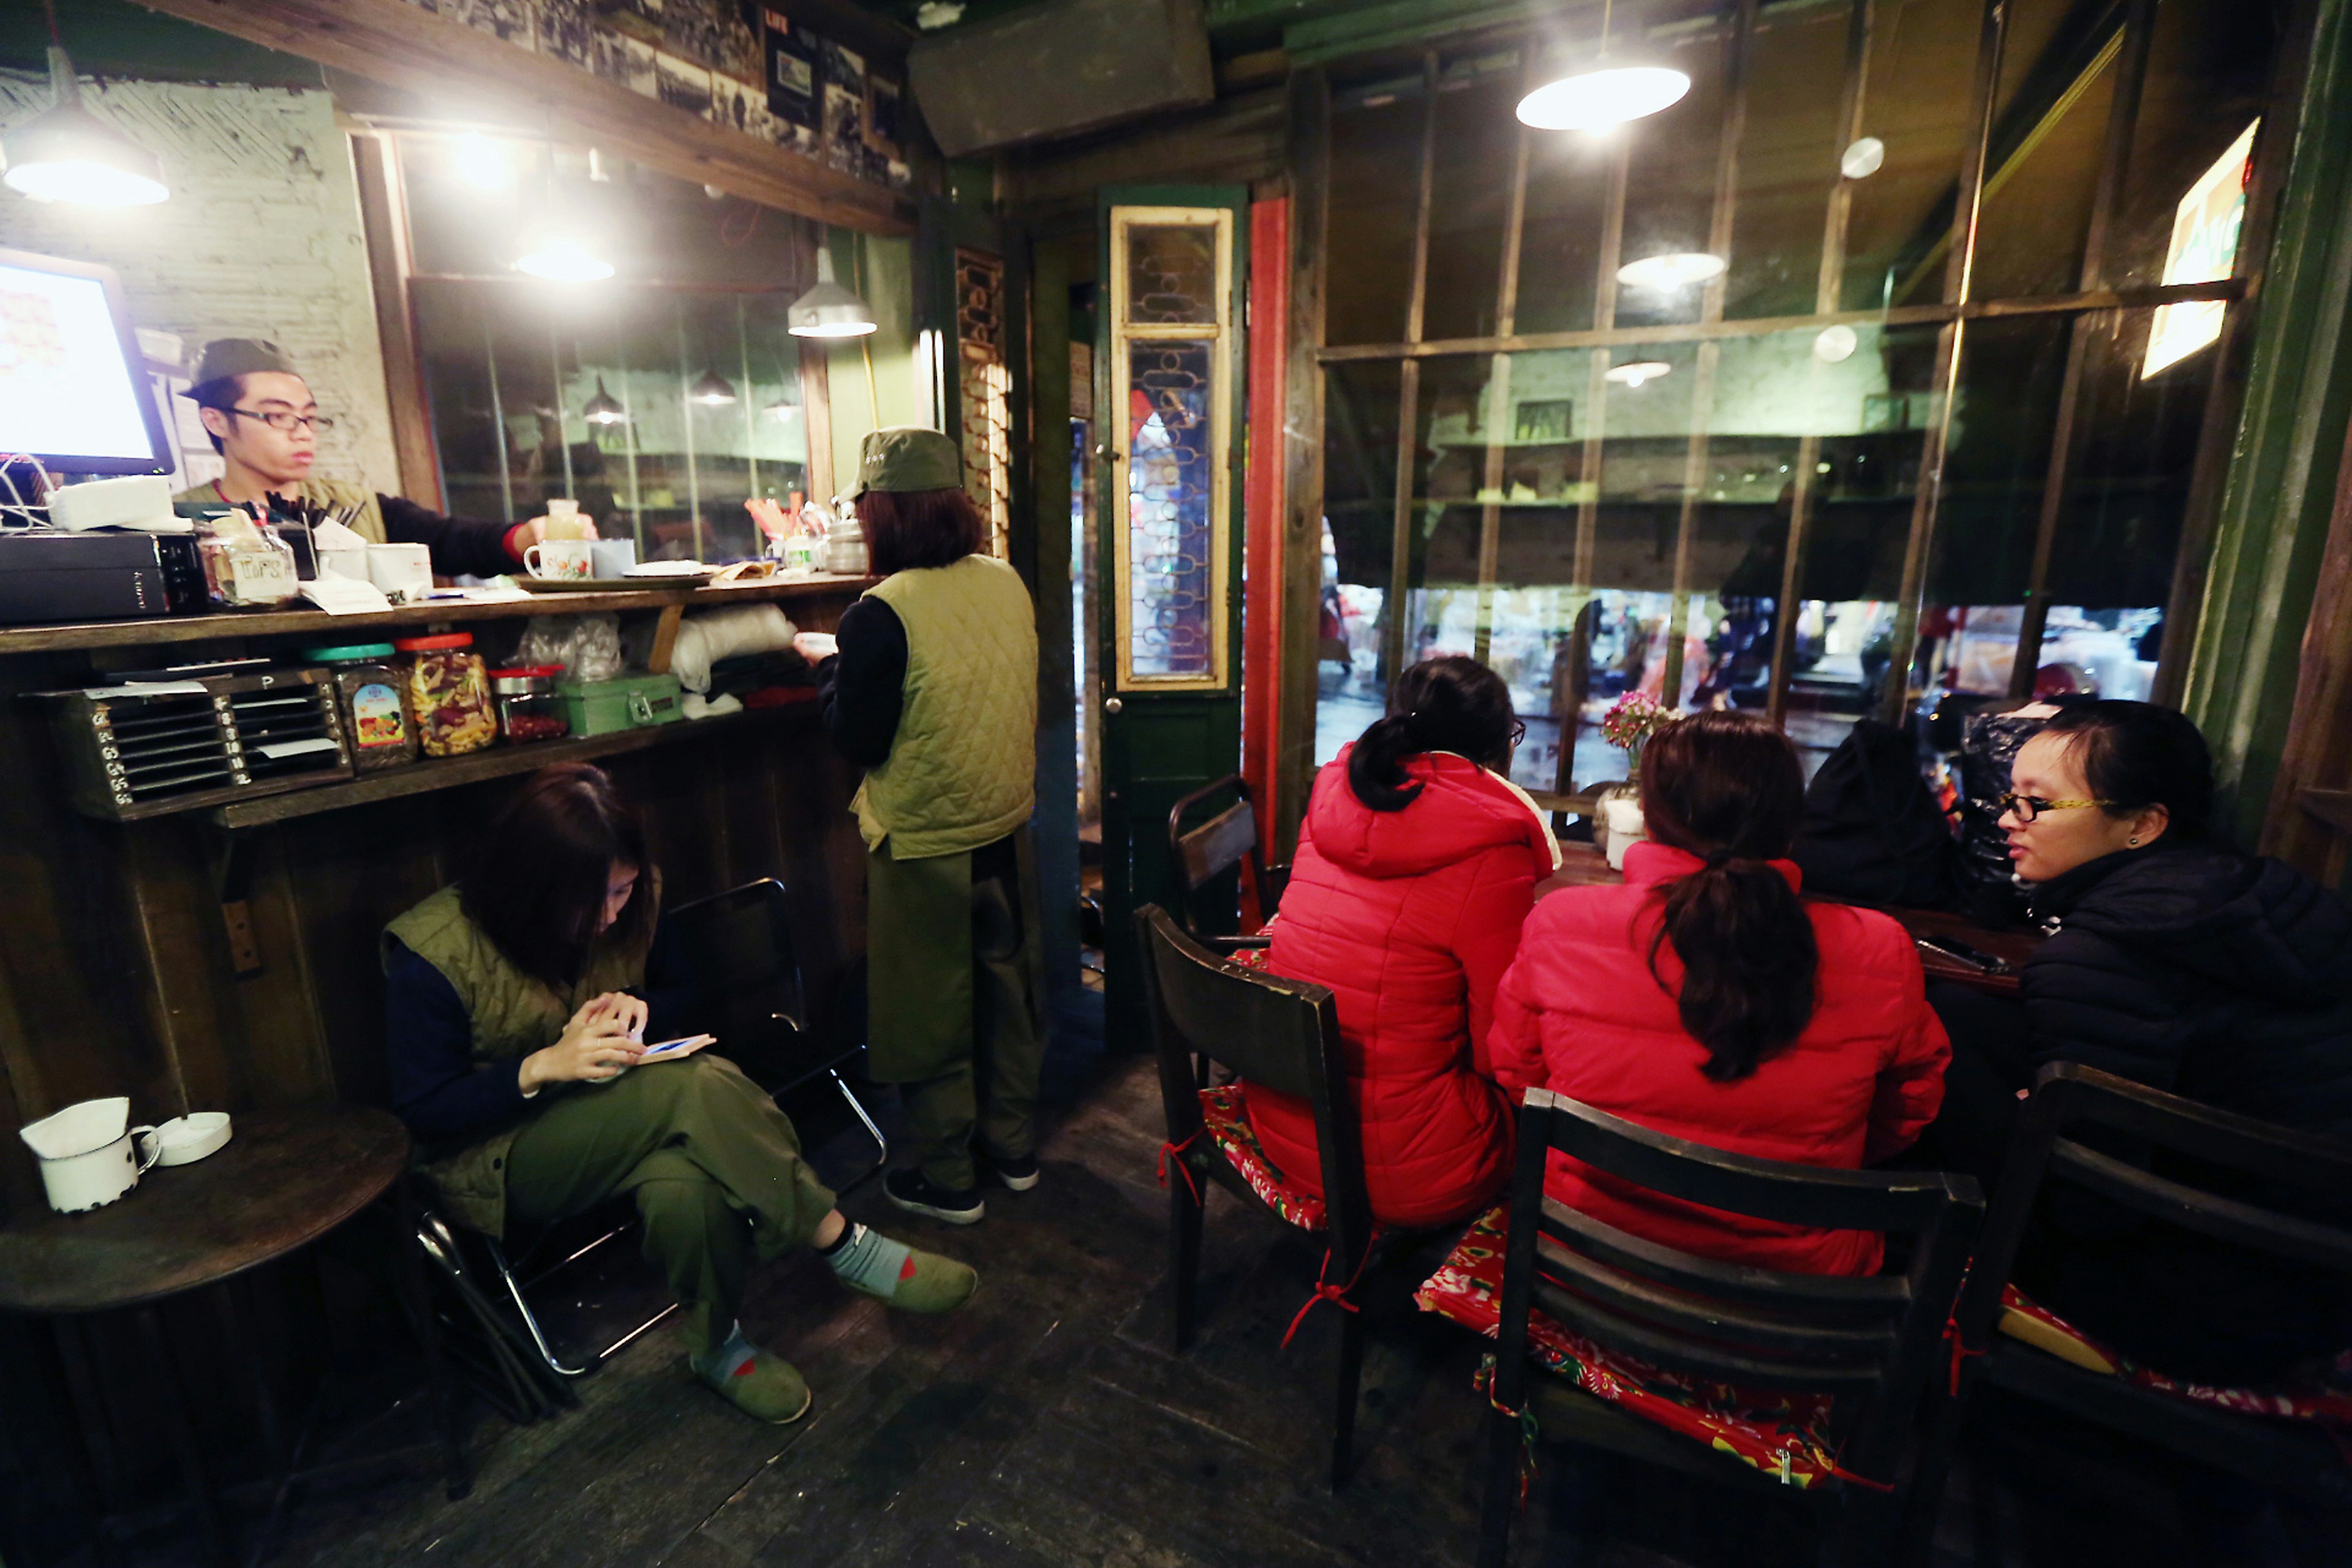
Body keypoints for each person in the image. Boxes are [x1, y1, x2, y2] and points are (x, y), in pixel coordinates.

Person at [383, 763, 976, 1425]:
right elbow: (422, 1112)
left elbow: (685, 991)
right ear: (535, 884)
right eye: (594, 899)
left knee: (683, 1178)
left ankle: (716, 1345)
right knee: (692, 1087)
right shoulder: (436, 951)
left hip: (622, 1111)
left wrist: (640, 1005)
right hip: (500, 1157)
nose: (612, 914)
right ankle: (844, 1244)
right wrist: (542, 1066)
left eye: (624, 890)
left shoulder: (638, 902)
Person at [1928, 700, 2352, 1379]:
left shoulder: (2102, 955)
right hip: (2314, 1264)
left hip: (2208, 1299)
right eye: (2010, 796)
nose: (2008, 818)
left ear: (2142, 824)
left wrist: (2034, 1112)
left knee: (1927, 1049)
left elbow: (2091, 1212)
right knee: (1957, 1006)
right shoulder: (2243, 895)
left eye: (2038, 803)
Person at [1491, 710, 1949, 1275]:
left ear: (1652, 817)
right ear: (1789, 823)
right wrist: (1819, 1150)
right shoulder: (1880, 948)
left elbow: (1520, 1076)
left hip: (1581, 1265)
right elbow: (1910, 1107)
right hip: (1791, 1310)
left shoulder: (1562, 920)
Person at [794, 428, 1044, 1227]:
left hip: (926, 843)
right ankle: (1013, 1151)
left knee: (930, 1011)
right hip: (1006, 828)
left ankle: (949, 1177)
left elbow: (859, 739)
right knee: (1007, 994)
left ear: (881, 513)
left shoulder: (881, 612)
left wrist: (829, 663)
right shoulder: (1007, 582)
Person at [1238, 657, 1561, 1229]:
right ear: (1496, 748)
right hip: (1403, 1174)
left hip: (1283, 1117)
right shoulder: (1492, 850)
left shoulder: (1335, 794)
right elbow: (1498, 1053)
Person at [175, 337, 577, 578]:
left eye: (310, 417)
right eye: (279, 416)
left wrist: (526, 539)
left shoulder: (355, 506)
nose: (302, 432)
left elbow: (450, 541)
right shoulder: (175, 521)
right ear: (217, 422)